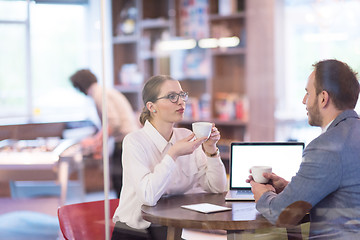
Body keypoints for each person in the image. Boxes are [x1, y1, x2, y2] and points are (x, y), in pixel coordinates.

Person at [248, 59, 360, 239]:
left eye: (308, 93)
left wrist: (263, 194)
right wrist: (289, 188)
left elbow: (282, 215)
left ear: (323, 98)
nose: (304, 101)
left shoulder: (326, 147)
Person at [112, 75, 227, 240]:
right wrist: (173, 154)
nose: (181, 102)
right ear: (152, 107)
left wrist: (211, 150)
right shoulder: (134, 141)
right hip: (136, 232)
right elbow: (148, 197)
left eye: (182, 95)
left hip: (173, 228)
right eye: (172, 97)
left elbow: (217, 188)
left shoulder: (186, 136)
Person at [70, 69, 139, 198]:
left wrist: (96, 141)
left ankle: (123, 215)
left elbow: (113, 123)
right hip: (126, 139)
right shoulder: (103, 91)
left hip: (125, 140)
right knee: (121, 180)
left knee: (120, 181)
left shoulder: (99, 94)